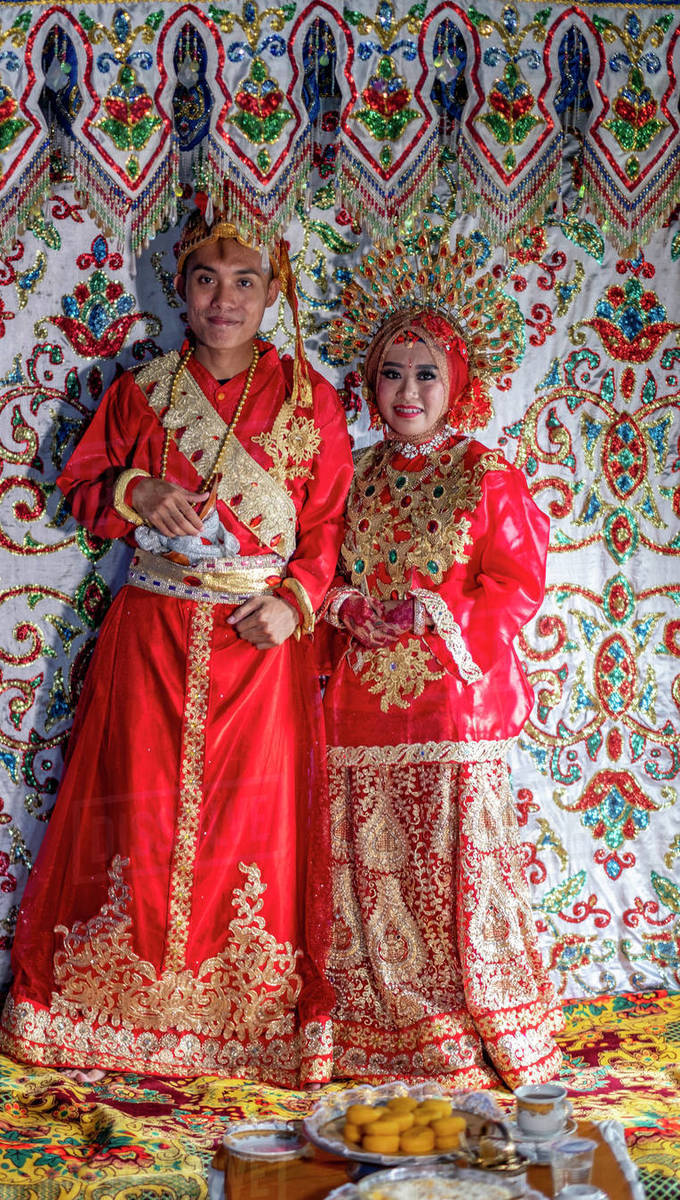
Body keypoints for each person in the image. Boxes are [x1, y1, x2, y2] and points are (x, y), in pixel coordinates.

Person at [0, 199, 353, 1088]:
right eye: (206, 280)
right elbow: (78, 488)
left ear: (274, 292)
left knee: (254, 821)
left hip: (260, 644)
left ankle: (245, 1019)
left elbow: (331, 524)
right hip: (150, 631)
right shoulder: (140, 391)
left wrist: (297, 604)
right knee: (138, 809)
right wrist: (136, 488)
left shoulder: (313, 398)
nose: (224, 299)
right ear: (178, 291)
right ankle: (116, 1005)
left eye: (244, 281)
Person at [319, 232, 563, 1090]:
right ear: (370, 384)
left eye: (426, 374)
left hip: (452, 702)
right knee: (362, 866)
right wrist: (346, 607)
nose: (408, 390)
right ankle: (371, 1013)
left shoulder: (487, 475)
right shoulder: (352, 474)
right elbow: (322, 572)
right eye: (392, 372)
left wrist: (432, 611)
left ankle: (466, 1010)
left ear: (457, 383)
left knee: (447, 862)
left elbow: (515, 583)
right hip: (356, 699)